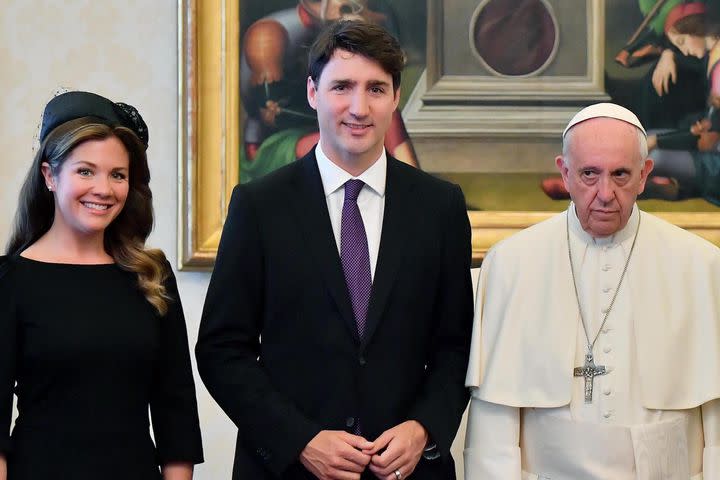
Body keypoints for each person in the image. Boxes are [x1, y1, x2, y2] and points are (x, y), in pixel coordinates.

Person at [197, 20, 473, 480]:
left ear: (396, 97)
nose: (359, 107)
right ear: (312, 92)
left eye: (376, 89)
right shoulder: (259, 205)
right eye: (342, 86)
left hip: (406, 472)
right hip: (288, 470)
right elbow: (222, 350)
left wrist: (424, 429)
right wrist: (298, 439)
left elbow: (456, 346)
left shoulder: (440, 207)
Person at [465, 103, 720, 479]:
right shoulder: (512, 264)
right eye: (589, 174)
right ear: (564, 173)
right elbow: (493, 425)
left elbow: (714, 417)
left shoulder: (701, 264)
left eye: (620, 175)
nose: (605, 193)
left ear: (644, 175)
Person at [0, 91, 204, 480]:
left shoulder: (152, 275)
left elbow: (175, 416)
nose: (104, 189)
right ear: (49, 175)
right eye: (85, 171)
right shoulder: (10, 281)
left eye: (118, 175)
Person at [240, 0, 419, 184]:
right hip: (277, 143)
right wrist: (340, 115)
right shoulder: (268, 35)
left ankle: (414, 187)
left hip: (327, 129)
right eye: (340, 87)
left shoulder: (359, 24)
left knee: (382, 110)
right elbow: (272, 112)